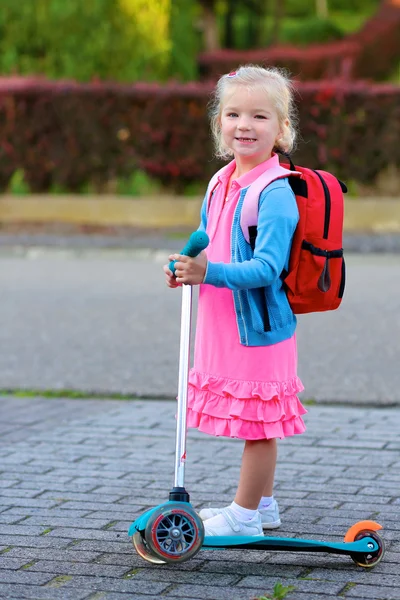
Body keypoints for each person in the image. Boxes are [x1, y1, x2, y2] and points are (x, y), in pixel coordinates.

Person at [163, 65, 307, 538]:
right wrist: (186, 265)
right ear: (219, 123)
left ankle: (244, 517)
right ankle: (262, 505)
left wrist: (210, 272)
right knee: (253, 419)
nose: (245, 125)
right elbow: (209, 240)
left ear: (281, 129)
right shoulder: (221, 181)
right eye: (234, 114)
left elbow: (267, 269)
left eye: (260, 116)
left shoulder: (275, 192)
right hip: (223, 324)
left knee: (260, 425)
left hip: (258, 329)